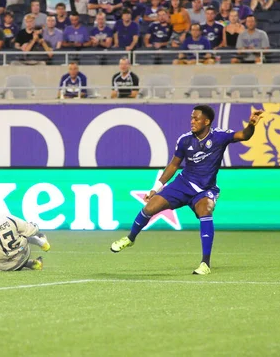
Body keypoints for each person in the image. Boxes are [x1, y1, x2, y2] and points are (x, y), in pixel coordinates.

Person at [110, 105, 264, 275]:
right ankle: (131, 238)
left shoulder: (219, 136)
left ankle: (205, 263)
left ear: (207, 121)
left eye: (196, 118)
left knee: (206, 210)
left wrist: (251, 124)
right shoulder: (184, 140)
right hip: (182, 184)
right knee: (150, 207)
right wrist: (156, 188)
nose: (192, 121)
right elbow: (174, 165)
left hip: (205, 189)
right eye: (191, 118)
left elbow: (244, 135)